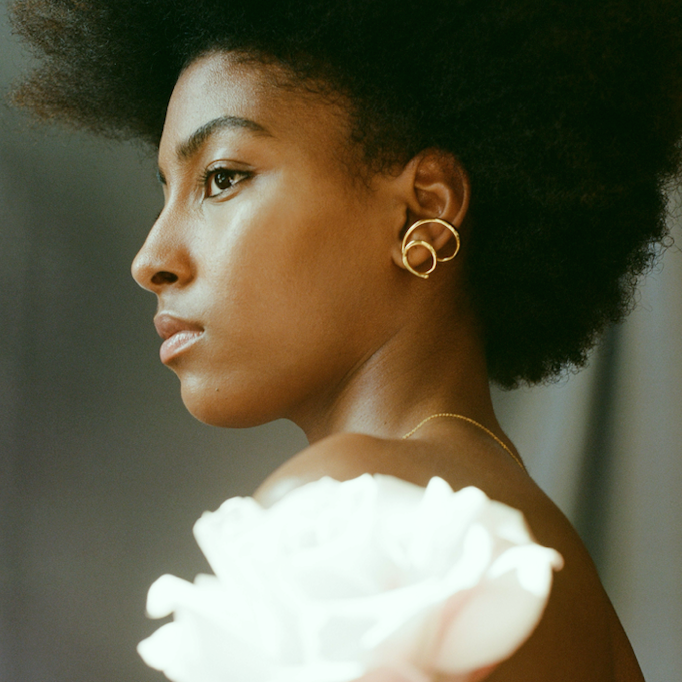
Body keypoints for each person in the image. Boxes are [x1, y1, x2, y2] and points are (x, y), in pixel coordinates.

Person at [9, 0, 682, 680]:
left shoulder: (351, 509)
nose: (151, 257)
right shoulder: (547, 551)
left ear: (423, 206)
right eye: (167, 190)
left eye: (222, 178)